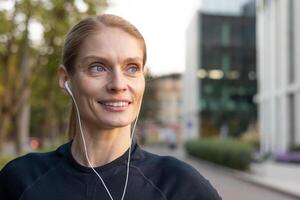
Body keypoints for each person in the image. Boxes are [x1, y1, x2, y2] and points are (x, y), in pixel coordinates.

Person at [0, 14, 221, 200]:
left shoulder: (179, 186)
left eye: (132, 68)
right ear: (65, 79)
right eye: (98, 67)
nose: (118, 84)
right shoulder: (21, 180)